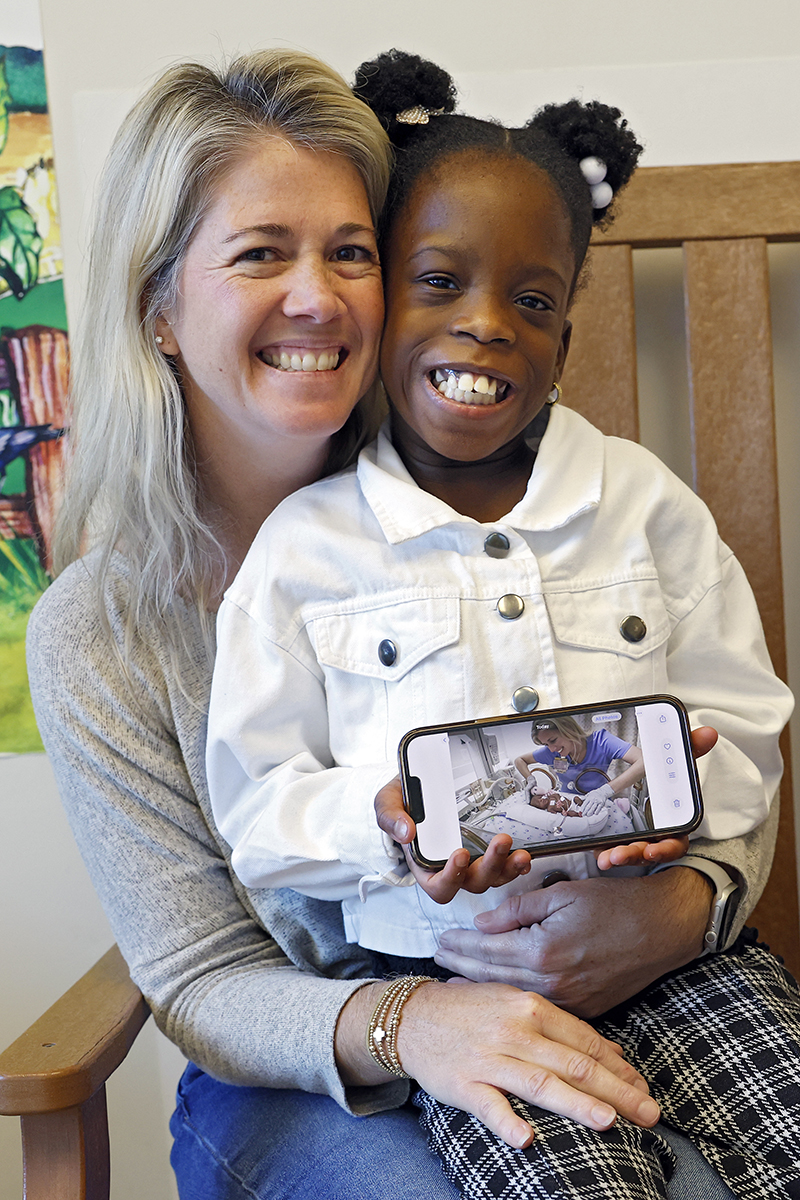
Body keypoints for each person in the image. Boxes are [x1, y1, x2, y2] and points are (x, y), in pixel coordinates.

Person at [26, 48, 681, 1200]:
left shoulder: (532, 508)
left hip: (593, 992)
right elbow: (198, 976)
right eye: (259, 254)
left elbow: (710, 732)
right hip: (304, 1065)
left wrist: (679, 910)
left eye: (350, 253)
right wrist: (414, 1027)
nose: (317, 299)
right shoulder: (104, 630)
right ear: (159, 308)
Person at [204, 49, 799, 1198]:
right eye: (438, 282)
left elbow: (746, 730)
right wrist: (381, 817)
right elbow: (260, 808)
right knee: (564, 1182)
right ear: (379, 309)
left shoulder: (641, 505)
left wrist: (679, 809)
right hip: (456, 988)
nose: (484, 328)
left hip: (677, 960)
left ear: (563, 341)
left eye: (529, 302)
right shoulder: (308, 550)